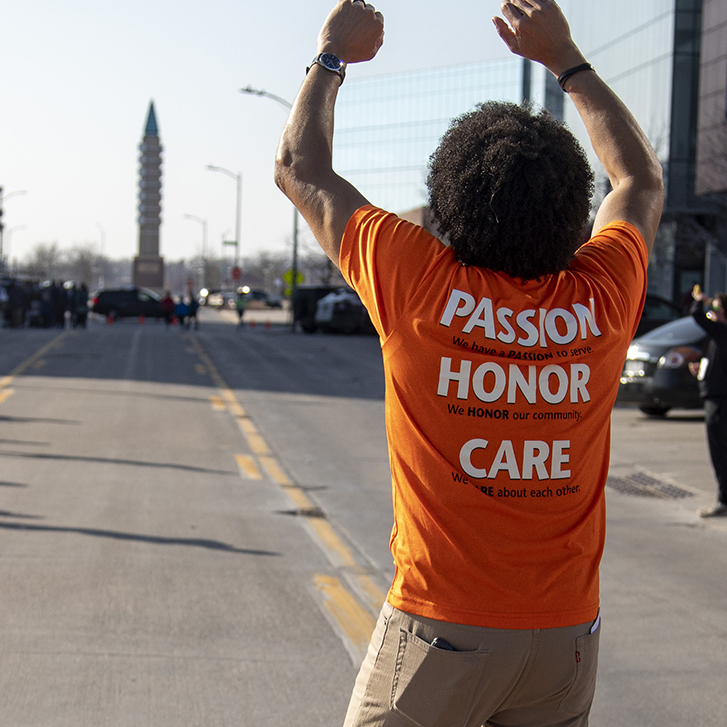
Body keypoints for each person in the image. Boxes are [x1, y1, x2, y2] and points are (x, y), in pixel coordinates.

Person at [275, 1, 664, 725]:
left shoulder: (417, 278)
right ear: (572, 211)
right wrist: (565, 59)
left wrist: (331, 56)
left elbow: (300, 168)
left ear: (450, 208)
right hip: (564, 640)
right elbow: (638, 180)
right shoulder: (602, 295)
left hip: (439, 633)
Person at [690, 286, 727, 517]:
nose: (712, 312)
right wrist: (700, 369)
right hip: (717, 397)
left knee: (720, 452)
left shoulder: (722, 331)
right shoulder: (718, 336)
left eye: (716, 308)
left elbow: (696, 316)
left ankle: (724, 500)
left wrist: (699, 301)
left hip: (720, 402)